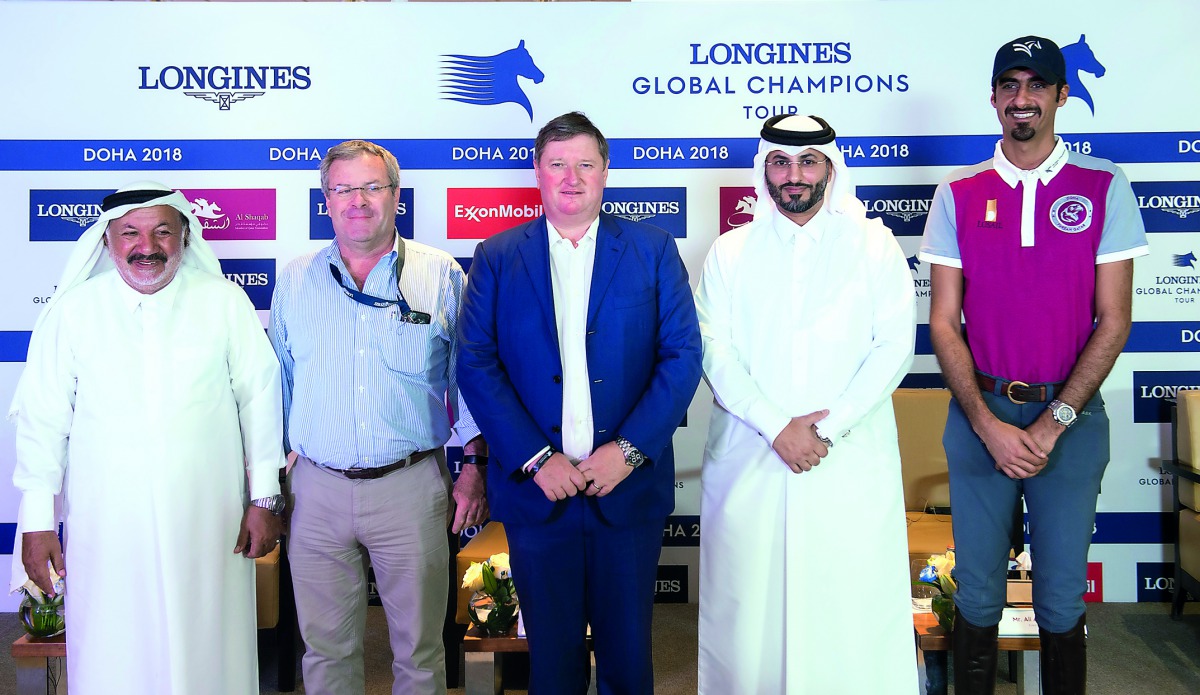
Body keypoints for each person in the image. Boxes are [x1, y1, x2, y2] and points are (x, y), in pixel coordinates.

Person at [920, 36, 1148, 694]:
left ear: (1060, 95)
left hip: (1071, 422)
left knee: (1059, 595)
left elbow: (1116, 319)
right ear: (994, 97)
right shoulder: (958, 191)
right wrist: (989, 425)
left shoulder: (1104, 185)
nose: (1023, 98)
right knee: (980, 593)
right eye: (1010, 85)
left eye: (1037, 84)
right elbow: (943, 320)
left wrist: (1051, 425)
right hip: (979, 416)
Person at [457, 111, 702, 695]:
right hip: (537, 493)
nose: (572, 177)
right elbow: (476, 363)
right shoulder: (495, 255)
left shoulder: (653, 249)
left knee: (628, 662)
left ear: (606, 172)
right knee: (551, 663)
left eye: (585, 164)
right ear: (537, 172)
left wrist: (630, 452)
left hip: (627, 491)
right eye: (558, 164)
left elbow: (683, 357)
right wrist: (537, 460)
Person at [10, 182, 286, 694]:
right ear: (107, 241)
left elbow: (260, 403)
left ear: (184, 236)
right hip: (107, 524)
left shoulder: (224, 303)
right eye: (130, 232)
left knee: (209, 646)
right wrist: (37, 522)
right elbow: (43, 421)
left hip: (209, 520)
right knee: (115, 650)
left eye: (163, 231)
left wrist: (265, 498)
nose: (147, 245)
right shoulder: (74, 313)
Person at [694, 115, 918, 693]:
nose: (794, 176)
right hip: (753, 456)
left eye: (808, 161)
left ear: (831, 168)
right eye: (781, 162)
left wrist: (827, 429)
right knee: (749, 618)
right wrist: (776, 427)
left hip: (846, 460)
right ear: (764, 168)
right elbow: (712, 351)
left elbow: (894, 345)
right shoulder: (730, 251)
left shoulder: (873, 244)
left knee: (850, 609)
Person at [270, 139, 488, 695]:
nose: (358, 201)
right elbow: (280, 381)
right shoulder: (294, 278)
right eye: (343, 189)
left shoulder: (440, 274)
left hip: (411, 485)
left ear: (396, 195)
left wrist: (473, 466)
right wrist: (273, 483)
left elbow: (469, 377)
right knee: (324, 651)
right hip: (316, 489)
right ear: (326, 199)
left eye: (372, 187)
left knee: (418, 651)